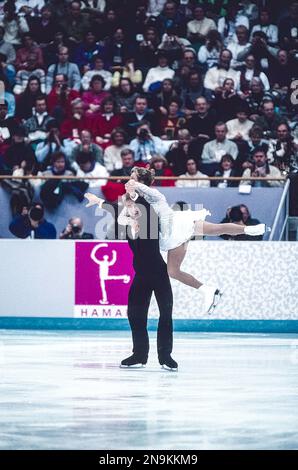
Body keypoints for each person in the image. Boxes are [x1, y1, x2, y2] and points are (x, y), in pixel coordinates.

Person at [121, 167, 268, 314]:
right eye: (130, 178)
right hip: (171, 234)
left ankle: (249, 229)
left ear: (141, 182)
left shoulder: (154, 195)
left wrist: (136, 186)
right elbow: (126, 215)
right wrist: (131, 217)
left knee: (216, 229)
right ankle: (208, 290)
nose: (129, 181)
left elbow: (147, 192)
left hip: (178, 225)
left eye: (133, 178)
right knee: (173, 271)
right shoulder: (134, 200)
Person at [84, 191, 177, 371]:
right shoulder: (126, 224)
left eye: (130, 205)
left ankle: (166, 356)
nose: (127, 208)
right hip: (141, 275)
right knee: (135, 315)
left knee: (165, 313)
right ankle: (139, 354)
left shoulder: (150, 220)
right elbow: (113, 209)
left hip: (158, 273)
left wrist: (137, 190)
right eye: (125, 206)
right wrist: (98, 201)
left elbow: (147, 203)